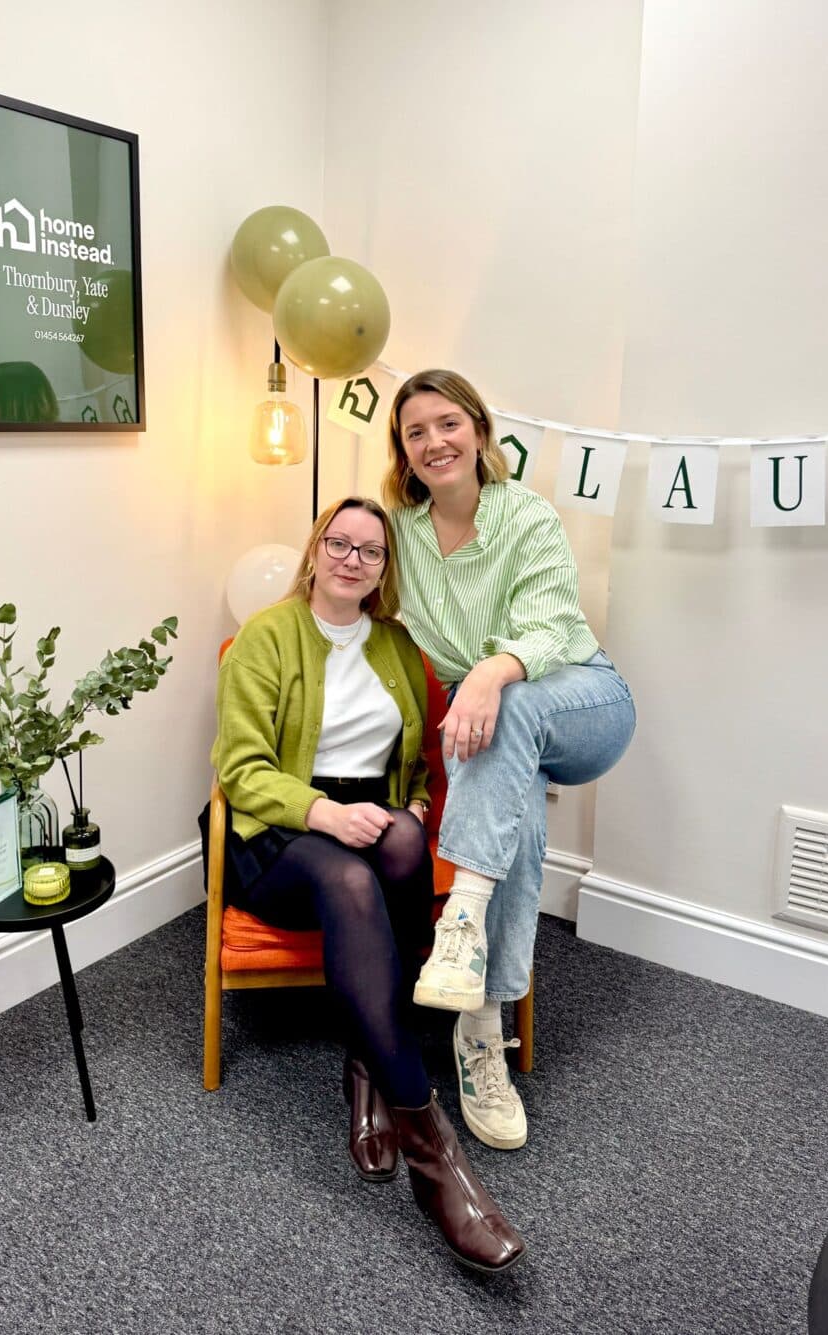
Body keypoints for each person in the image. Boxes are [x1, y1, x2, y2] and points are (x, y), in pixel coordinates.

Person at [208, 496, 525, 1274]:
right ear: (315, 553)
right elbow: (238, 769)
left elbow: (414, 757)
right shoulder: (266, 637)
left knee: (409, 836)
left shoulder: (393, 644)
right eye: (339, 544)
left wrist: (409, 801)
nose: (353, 558)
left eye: (371, 551)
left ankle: (367, 1057)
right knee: (351, 878)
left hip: (366, 810)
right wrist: (321, 811)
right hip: (276, 829)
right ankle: (435, 1155)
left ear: (385, 569)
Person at [383, 369, 637, 1154]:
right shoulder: (402, 532)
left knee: (511, 709)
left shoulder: (525, 513)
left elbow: (552, 627)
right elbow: (345, 579)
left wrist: (491, 673)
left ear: (481, 432)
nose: (434, 442)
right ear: (403, 451)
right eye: (415, 431)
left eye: (448, 423)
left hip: (581, 698)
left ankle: (459, 923)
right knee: (516, 813)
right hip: (494, 729)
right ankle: (480, 1033)